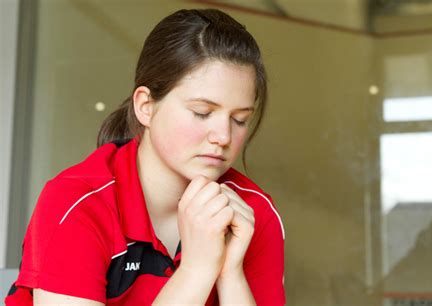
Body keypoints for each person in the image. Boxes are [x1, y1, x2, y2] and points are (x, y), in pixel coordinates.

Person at [5, 8, 285, 306]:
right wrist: (197, 269)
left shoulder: (251, 214)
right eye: (202, 113)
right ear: (146, 106)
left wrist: (231, 273)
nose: (224, 136)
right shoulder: (76, 204)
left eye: (239, 119)